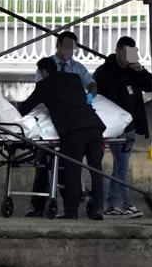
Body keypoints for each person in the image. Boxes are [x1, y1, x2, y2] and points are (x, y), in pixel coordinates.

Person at [19, 57, 106, 220]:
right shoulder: (74, 79)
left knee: (73, 169)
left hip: (73, 131)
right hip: (95, 127)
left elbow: (25, 107)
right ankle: (98, 208)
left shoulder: (44, 85)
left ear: (43, 71)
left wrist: (13, 114)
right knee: (96, 168)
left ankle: (71, 211)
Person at [93, 36, 152, 218]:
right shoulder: (105, 72)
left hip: (130, 125)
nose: (128, 58)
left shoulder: (133, 71)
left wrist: (141, 71)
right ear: (118, 50)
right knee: (121, 166)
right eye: (126, 53)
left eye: (132, 54)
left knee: (120, 165)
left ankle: (113, 204)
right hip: (113, 125)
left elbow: (151, 86)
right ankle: (125, 203)